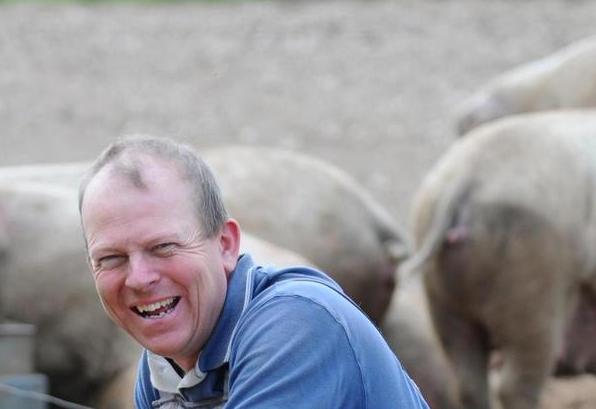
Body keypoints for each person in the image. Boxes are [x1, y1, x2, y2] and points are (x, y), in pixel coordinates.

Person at [78, 134, 428, 408]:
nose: (139, 278)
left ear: (227, 245)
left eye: (164, 247)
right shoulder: (161, 371)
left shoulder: (297, 323)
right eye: (110, 258)